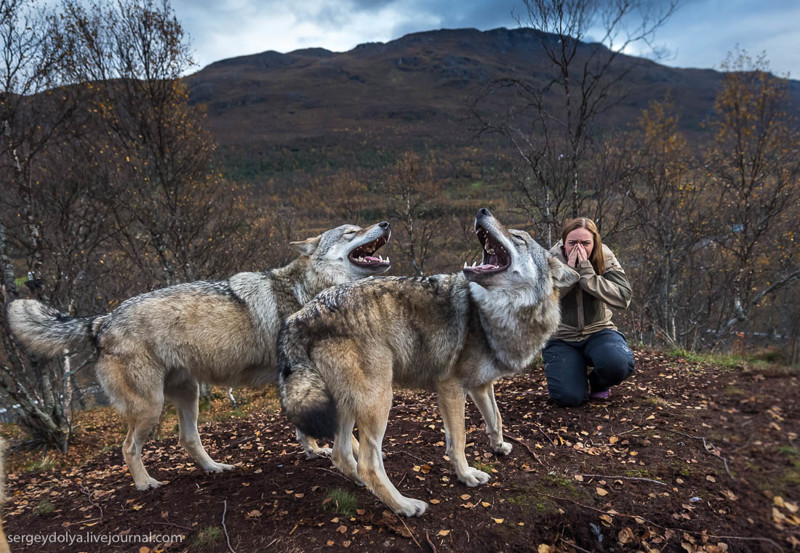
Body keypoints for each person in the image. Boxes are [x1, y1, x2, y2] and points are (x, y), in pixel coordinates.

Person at [542, 217, 634, 406]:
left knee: (618, 364)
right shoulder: (550, 260)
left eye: (585, 243)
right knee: (568, 398)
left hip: (599, 331)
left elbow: (623, 297)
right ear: (563, 243)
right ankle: (573, 374)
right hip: (561, 337)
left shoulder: (604, 256)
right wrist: (568, 273)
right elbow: (539, 302)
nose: (579, 248)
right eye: (573, 242)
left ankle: (597, 383)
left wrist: (587, 275)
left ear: (595, 243)